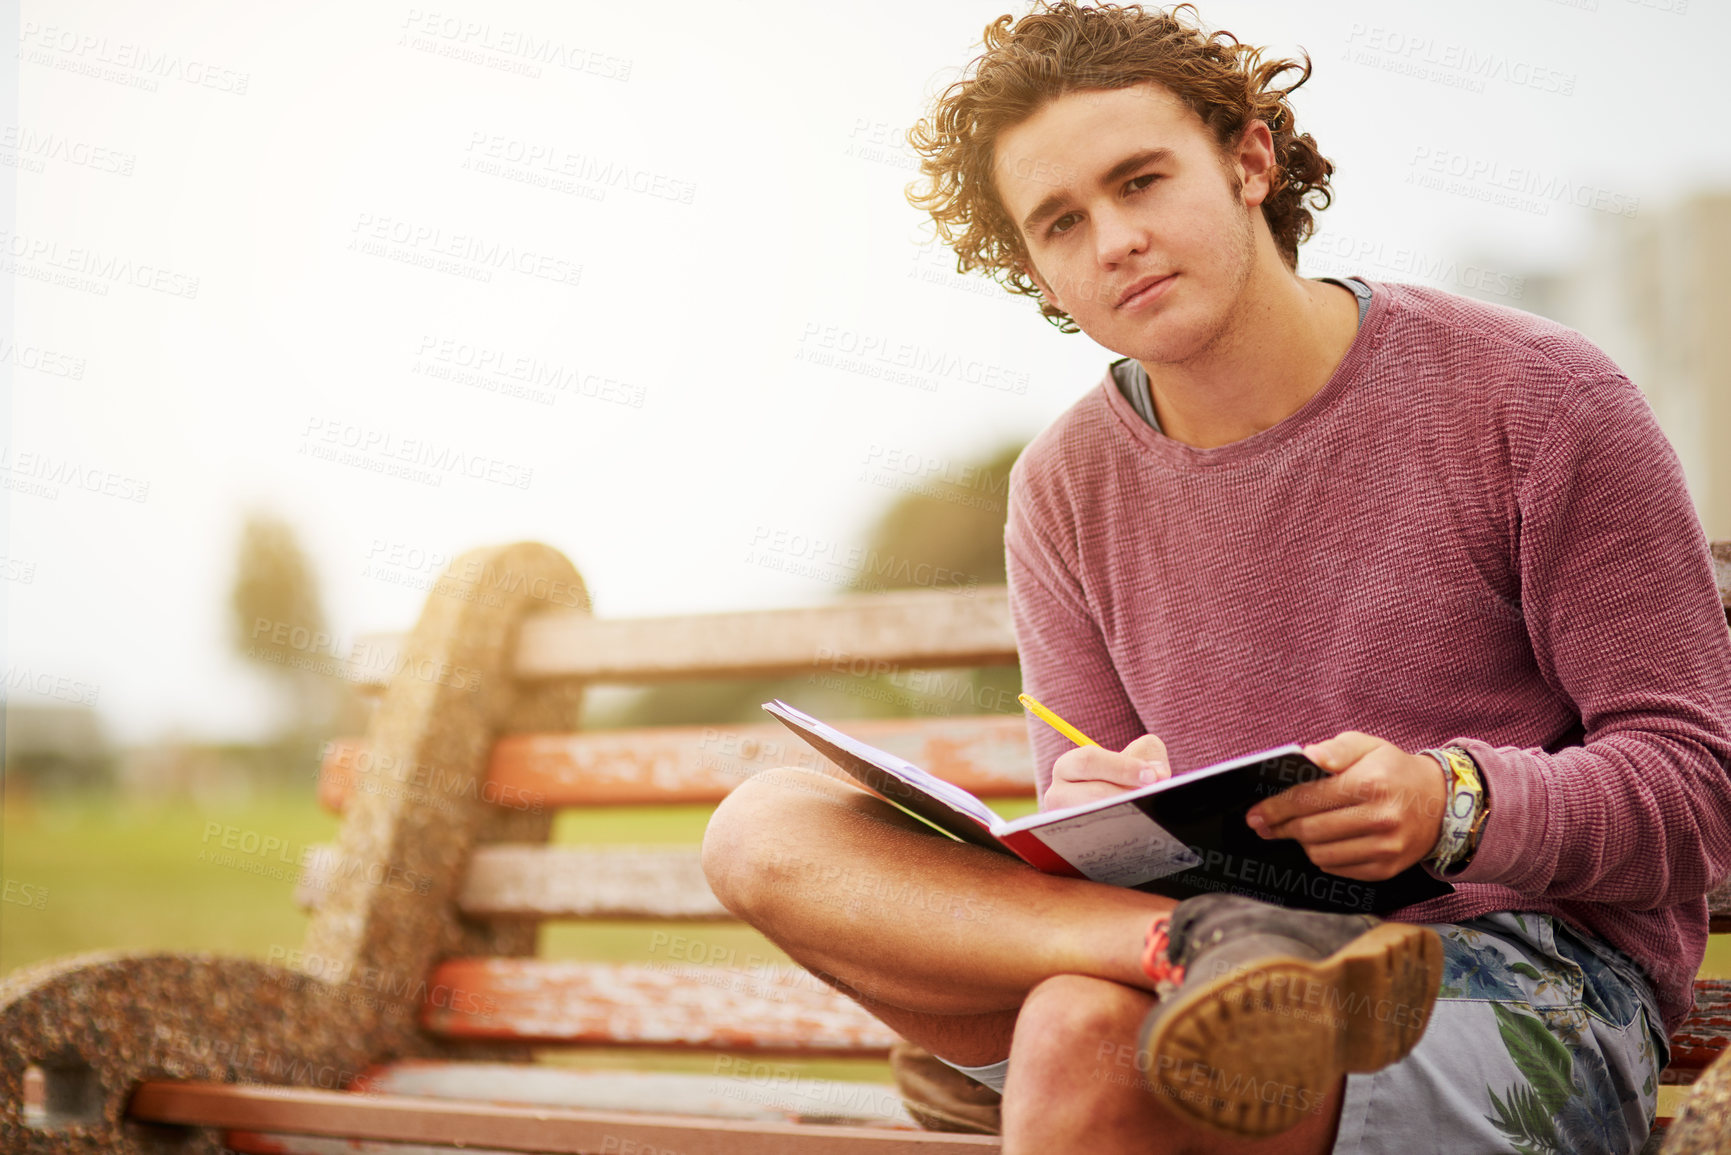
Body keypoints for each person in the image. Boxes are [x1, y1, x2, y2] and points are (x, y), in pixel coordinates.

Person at [700, 3, 1731, 1151]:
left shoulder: (1537, 399)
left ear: (1249, 157)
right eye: (1061, 222)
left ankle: (1070, 1031)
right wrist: (1088, 814)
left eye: (1140, 180)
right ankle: (1187, 956)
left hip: (1528, 981)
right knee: (763, 826)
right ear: (1034, 266)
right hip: (1179, 961)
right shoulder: (1064, 483)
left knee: (1079, 1047)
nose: (1115, 241)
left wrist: (1452, 807)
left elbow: (1700, 790)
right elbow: (1084, 829)